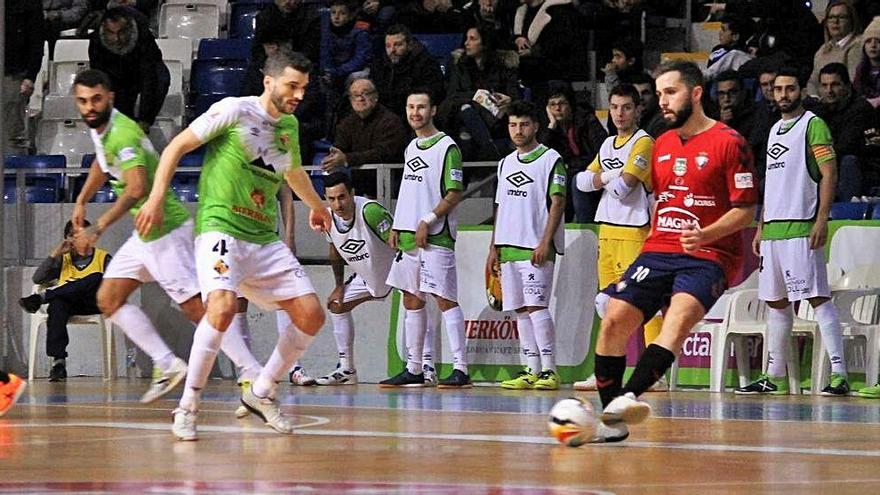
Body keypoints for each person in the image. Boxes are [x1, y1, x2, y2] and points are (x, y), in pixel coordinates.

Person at [135, 49, 331, 441]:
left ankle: (261, 391)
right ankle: (188, 406)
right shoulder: (234, 110)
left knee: (311, 314)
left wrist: (317, 205)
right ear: (269, 81)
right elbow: (175, 148)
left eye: (304, 88)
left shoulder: (289, 125)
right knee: (221, 308)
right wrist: (156, 197)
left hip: (262, 236)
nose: (298, 94)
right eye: (293, 85)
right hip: (220, 229)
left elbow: (292, 172)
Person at [588, 61, 758, 443]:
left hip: (710, 254)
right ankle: (613, 423)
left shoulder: (730, 142)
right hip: (658, 248)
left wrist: (706, 234)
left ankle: (626, 399)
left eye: (670, 92)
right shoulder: (661, 143)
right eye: (659, 92)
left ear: (696, 94)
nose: (661, 100)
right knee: (613, 320)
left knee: (676, 321)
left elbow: (746, 210)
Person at [68, 69, 262, 404]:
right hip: (145, 233)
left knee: (198, 310)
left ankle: (252, 371)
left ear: (109, 97)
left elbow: (138, 187)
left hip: (164, 230)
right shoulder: (103, 129)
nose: (89, 107)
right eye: (82, 101)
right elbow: (103, 163)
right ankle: (167, 363)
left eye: (96, 99)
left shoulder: (123, 134)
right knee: (109, 299)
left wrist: (97, 227)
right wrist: (82, 198)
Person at [735, 67, 850, 396]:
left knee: (817, 298)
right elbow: (772, 184)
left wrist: (822, 218)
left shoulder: (813, 125)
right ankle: (774, 376)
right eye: (777, 89)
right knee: (776, 304)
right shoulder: (773, 130)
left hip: (801, 227)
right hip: (772, 232)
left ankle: (840, 374)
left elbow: (829, 173)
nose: (783, 94)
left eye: (790, 88)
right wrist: (761, 226)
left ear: (801, 90)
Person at [571, 84, 665, 393]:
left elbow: (625, 189)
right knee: (606, 305)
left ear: (638, 110)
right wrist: (610, 177)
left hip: (634, 230)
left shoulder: (644, 142)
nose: (619, 114)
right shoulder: (609, 144)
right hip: (607, 230)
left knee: (643, 303)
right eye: (614, 107)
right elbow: (581, 182)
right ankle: (605, 372)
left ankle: (656, 374)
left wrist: (603, 179)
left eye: (626, 107)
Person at [379, 88, 471, 388]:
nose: (415, 112)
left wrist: (428, 220)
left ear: (433, 110)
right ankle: (415, 368)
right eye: (410, 107)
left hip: (436, 237)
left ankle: (461, 368)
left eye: (421, 107)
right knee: (411, 299)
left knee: (445, 300)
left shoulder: (447, 147)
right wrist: (399, 224)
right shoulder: (411, 147)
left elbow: (455, 192)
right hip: (407, 237)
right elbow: (410, 191)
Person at [489, 101, 565, 391]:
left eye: (523, 124)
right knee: (520, 310)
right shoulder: (505, 163)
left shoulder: (550, 159)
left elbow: (558, 203)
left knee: (537, 307)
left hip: (535, 247)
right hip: (507, 247)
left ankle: (549, 369)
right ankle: (530, 368)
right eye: (512, 125)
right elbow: (499, 206)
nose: (517, 131)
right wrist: (492, 247)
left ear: (535, 126)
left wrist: (545, 241)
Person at [315, 172, 396, 384]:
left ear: (352, 193)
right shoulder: (327, 218)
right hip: (367, 276)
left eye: (342, 197)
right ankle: (347, 370)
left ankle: (423, 367)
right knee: (336, 304)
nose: (337, 204)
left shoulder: (371, 211)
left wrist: (411, 278)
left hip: (395, 273)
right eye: (331, 199)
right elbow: (334, 249)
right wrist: (339, 285)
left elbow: (399, 245)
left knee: (415, 307)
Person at [19, 219, 110, 382]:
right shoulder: (63, 258)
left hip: (94, 303)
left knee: (96, 276)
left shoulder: (103, 258)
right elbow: (37, 278)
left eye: (80, 235)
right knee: (57, 305)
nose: (75, 239)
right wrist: (55, 253)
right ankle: (58, 363)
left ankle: (42, 298)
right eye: (71, 235)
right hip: (70, 304)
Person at [438, 25, 519, 161]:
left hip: (496, 118)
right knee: (466, 110)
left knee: (466, 134)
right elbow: (452, 97)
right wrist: (475, 96)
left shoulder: (502, 66)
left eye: (472, 39)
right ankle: (491, 150)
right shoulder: (460, 66)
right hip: (462, 116)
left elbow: (515, 96)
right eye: (466, 39)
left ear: (484, 43)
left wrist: (508, 99)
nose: (466, 43)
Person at [321, 78, 409, 197]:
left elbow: (384, 153)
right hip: (357, 187)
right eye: (355, 95)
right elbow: (339, 147)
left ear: (375, 96)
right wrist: (335, 156)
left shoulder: (390, 121)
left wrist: (347, 158)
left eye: (365, 93)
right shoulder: (347, 122)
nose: (360, 98)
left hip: (388, 187)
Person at [88, 6, 169, 133]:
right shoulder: (96, 41)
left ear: (129, 28)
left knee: (161, 78)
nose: (117, 39)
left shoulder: (143, 36)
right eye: (111, 33)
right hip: (116, 75)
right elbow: (101, 80)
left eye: (121, 32)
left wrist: (144, 119)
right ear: (104, 29)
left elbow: (149, 77)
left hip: (144, 71)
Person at [814, 62, 874, 201]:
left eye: (835, 85)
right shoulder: (817, 112)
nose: (829, 90)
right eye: (824, 85)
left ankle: (848, 211)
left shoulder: (861, 109)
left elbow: (846, 146)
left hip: (859, 167)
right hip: (828, 165)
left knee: (848, 160)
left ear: (847, 86)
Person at [370, 24, 446, 118]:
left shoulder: (427, 64)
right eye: (388, 46)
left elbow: (431, 95)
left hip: (413, 115)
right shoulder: (380, 64)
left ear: (410, 45)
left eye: (398, 45)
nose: (392, 50)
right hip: (384, 115)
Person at [4, 0, 45, 155]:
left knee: (12, 133)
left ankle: (14, 176)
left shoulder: (29, 5)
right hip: (13, 73)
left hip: (13, 75)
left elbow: (36, 41)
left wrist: (30, 76)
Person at [807, 0, 863, 96]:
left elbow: (853, 83)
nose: (835, 21)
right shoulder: (822, 50)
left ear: (852, 20)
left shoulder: (858, 46)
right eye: (831, 17)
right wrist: (815, 99)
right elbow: (812, 83)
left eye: (841, 17)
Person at [704, 14, 754, 81]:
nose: (720, 33)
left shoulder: (740, 55)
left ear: (735, 36)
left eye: (724, 30)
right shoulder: (717, 49)